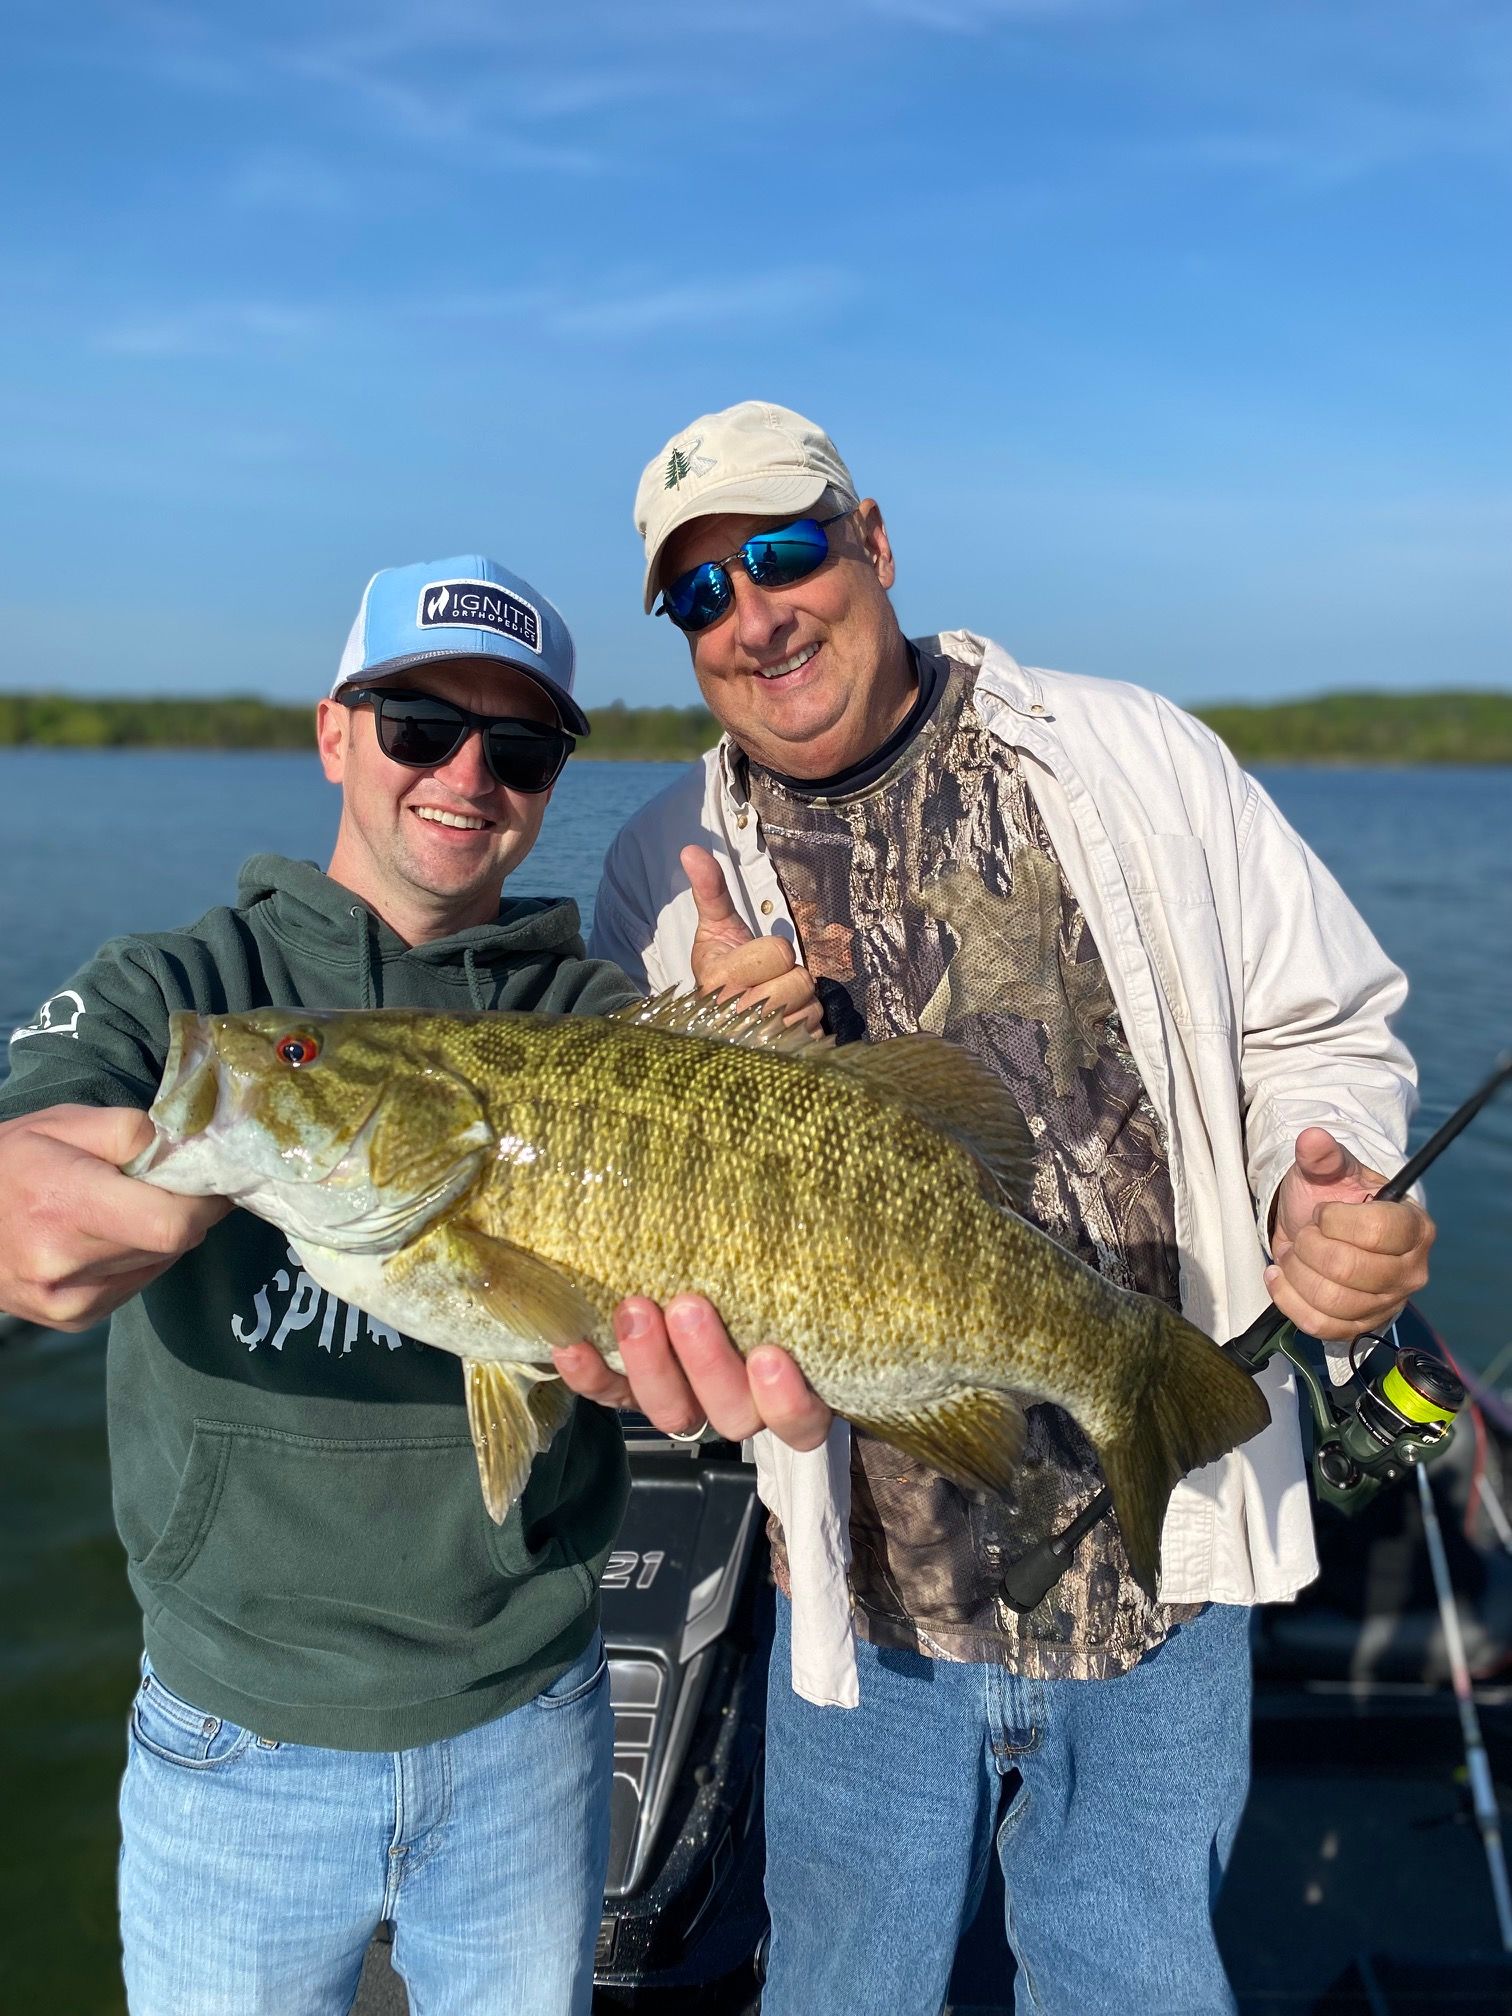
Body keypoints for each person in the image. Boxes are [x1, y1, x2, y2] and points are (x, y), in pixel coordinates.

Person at [553, 404, 1437, 2016]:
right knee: (844, 1984)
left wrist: (1327, 1179)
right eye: (698, 596)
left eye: (783, 553)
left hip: (1167, 1556)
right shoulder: (657, 859)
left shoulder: (1130, 754)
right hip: (863, 1601)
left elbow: (1322, 1034)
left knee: (1138, 1977)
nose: (752, 616)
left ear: (872, 542)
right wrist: (739, 1033)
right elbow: (644, 1187)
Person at [0, 551, 813, 2016]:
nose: (465, 774)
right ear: (333, 733)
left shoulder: (594, 1020)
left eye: (518, 747)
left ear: (553, 780)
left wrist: (786, 1067)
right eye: (417, 724)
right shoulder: (179, 991)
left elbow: (683, 1317)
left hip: (534, 1725)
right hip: (230, 1747)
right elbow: (31, 1170)